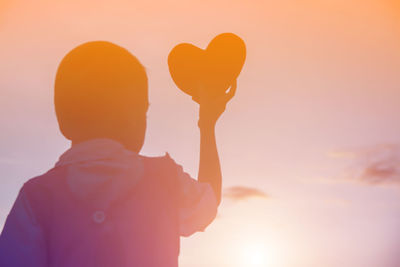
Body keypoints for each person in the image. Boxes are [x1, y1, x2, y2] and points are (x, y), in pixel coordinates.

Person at [0, 41, 236, 267]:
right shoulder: (165, 181)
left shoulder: (36, 198)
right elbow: (210, 200)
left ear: (63, 122)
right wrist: (206, 124)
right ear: (136, 120)